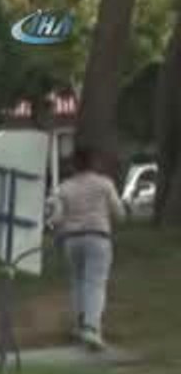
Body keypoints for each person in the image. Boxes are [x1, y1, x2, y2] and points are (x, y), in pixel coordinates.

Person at [52, 146, 125, 351]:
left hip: (72, 239)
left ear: (73, 165)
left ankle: (79, 323)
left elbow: (56, 217)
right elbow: (119, 212)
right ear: (94, 163)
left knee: (77, 282)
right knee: (95, 283)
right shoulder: (104, 184)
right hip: (98, 237)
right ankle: (92, 328)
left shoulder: (64, 188)